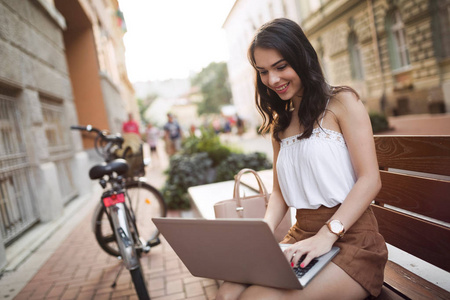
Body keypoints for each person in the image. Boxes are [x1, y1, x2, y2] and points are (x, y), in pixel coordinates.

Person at [216, 18, 388, 300]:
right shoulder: (280, 125)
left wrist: (327, 234)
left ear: (303, 57)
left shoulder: (342, 102)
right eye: (263, 71)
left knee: (256, 298)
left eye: (281, 66)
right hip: (301, 238)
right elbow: (279, 194)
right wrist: (261, 232)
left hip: (352, 240)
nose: (272, 80)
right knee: (227, 292)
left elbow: (370, 180)